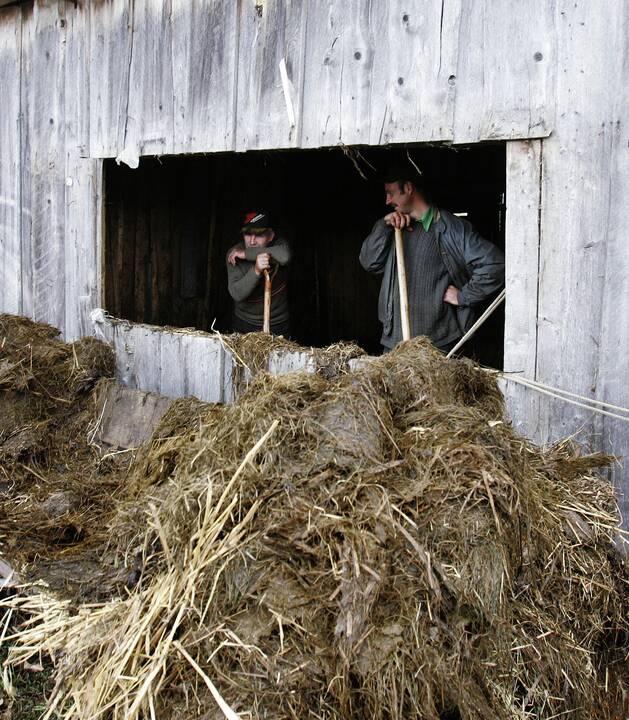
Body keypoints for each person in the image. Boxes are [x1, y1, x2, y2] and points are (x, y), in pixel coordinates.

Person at [359, 168, 505, 353]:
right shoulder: (393, 228)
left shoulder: (452, 228)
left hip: (437, 345)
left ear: (409, 188)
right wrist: (383, 226)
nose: (387, 201)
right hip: (394, 343)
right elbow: (368, 262)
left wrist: (463, 296)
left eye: (390, 193)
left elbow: (494, 264)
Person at [226, 211, 291, 335]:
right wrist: (256, 270)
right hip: (245, 322)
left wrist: (246, 254)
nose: (252, 241)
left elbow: (284, 257)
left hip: (277, 323)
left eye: (259, 235)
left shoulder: (280, 246)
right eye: (248, 234)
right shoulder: (234, 254)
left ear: (270, 236)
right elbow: (237, 293)